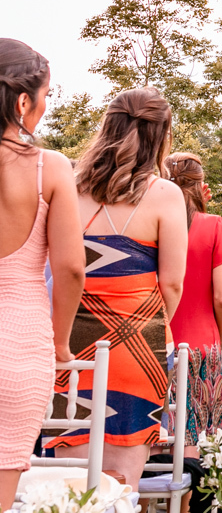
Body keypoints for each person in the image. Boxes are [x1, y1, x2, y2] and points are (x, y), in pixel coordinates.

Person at [47, 87, 189, 487]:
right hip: (140, 344)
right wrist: (147, 327)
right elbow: (173, 283)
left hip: (72, 340)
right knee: (122, 482)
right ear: (162, 135)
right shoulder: (165, 195)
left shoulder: (68, 187)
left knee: (68, 482)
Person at [0, 40, 85, 510]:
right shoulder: (49, 167)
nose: (46, 106)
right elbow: (72, 268)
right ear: (23, 101)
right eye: (46, 95)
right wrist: (60, 342)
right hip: (19, 345)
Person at [163, 152, 222, 456]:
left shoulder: (155, 223)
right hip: (201, 344)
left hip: (159, 341)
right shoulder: (213, 226)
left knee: (156, 433)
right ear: (200, 185)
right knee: (193, 437)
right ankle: (183, 505)